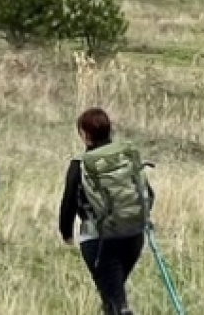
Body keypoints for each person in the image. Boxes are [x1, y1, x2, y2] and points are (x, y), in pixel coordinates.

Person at [58, 108, 153, 315]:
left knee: (114, 302)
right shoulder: (126, 156)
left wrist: (66, 233)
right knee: (112, 293)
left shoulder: (81, 164)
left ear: (85, 134)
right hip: (134, 234)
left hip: (99, 239)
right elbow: (146, 192)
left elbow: (68, 204)